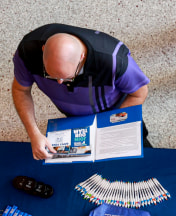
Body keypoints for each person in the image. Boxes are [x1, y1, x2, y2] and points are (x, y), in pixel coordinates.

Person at [12, 23, 151, 160]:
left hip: (113, 112)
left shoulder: (114, 61)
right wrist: (34, 134)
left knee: (143, 159)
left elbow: (139, 93)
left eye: (67, 77)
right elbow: (20, 90)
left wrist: (111, 125)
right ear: (43, 50)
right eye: (50, 75)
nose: (59, 82)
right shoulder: (27, 53)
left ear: (82, 57)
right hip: (75, 120)